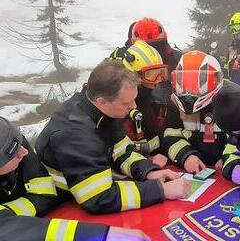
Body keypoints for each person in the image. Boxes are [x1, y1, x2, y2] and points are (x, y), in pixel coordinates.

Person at [35, 60, 190, 215]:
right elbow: (99, 197)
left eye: (134, 99)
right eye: (126, 103)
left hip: (81, 192)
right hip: (60, 205)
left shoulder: (102, 110)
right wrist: (161, 190)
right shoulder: (75, 134)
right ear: (101, 101)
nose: (134, 107)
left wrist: (148, 172)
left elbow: (122, 151)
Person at [0, 117, 150, 240]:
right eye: (13, 153)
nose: (25, 152)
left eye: (20, 141)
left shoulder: (10, 141)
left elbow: (45, 194)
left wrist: (8, 213)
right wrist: (102, 235)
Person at [162, 51, 227, 173]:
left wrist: (228, 159)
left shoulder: (230, 102)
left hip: (223, 171)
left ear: (217, 79)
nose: (189, 90)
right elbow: (170, 135)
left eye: (200, 78)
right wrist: (186, 156)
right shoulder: (174, 102)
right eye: (184, 79)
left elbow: (239, 140)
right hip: (192, 170)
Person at [121, 40, 170, 167]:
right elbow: (116, 153)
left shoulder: (155, 101)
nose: (157, 80)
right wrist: (147, 162)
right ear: (133, 75)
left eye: (160, 73)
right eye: (151, 74)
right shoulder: (118, 108)